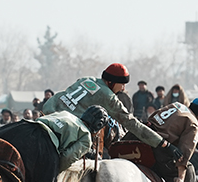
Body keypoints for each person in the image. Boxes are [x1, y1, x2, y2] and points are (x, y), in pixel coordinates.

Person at [44, 63, 178, 161]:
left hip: (46, 113)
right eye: (122, 84)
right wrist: (163, 143)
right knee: (86, 148)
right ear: (111, 82)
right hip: (64, 129)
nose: (123, 88)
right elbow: (132, 124)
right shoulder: (108, 97)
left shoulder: (86, 79)